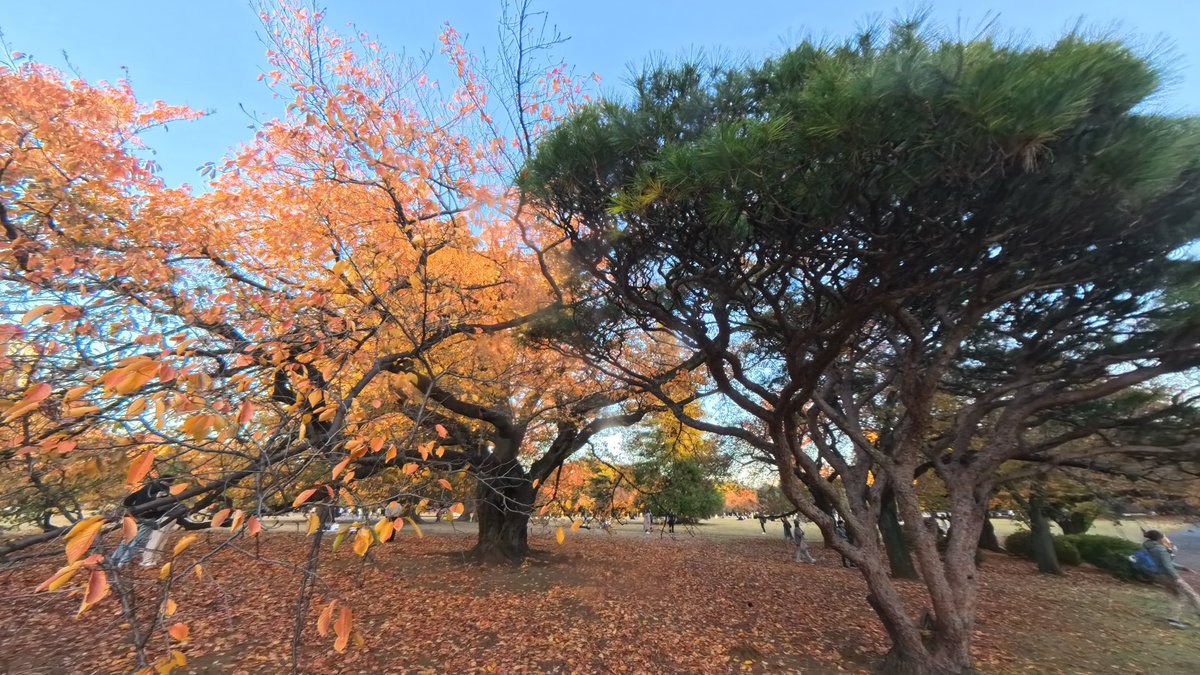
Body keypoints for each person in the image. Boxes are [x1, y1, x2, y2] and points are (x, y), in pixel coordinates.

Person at [112, 476, 176, 568]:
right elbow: (159, 504)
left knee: (127, 539)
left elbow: (129, 500)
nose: (171, 485)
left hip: (135, 516)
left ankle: (114, 560)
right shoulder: (162, 490)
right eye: (171, 483)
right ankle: (123, 563)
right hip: (148, 518)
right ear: (167, 482)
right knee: (139, 541)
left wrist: (131, 509)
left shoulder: (147, 486)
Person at [1143, 530, 1200, 628]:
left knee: (1175, 596)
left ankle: (1174, 619)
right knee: (1192, 594)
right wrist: (1176, 577)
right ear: (1159, 538)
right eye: (1163, 537)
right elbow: (1167, 565)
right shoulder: (1160, 549)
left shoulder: (1148, 547)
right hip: (1169, 576)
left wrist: (1183, 568)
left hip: (1159, 576)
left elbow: (1165, 563)